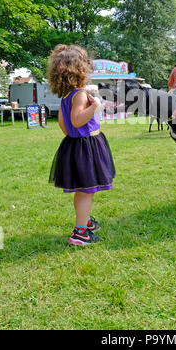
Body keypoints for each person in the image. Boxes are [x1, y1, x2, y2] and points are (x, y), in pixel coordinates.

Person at [48, 44, 115, 245]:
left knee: (82, 189)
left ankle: (84, 223)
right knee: (87, 191)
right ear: (79, 70)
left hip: (75, 146)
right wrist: (94, 106)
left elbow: (64, 124)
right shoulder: (79, 94)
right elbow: (77, 120)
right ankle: (80, 233)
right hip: (86, 147)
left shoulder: (66, 96)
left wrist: (75, 134)